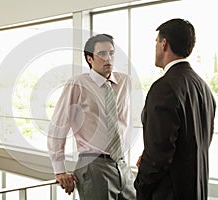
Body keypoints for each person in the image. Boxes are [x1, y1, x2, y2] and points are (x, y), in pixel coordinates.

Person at [134, 18, 216, 200]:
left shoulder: (164, 87)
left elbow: (159, 154)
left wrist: (141, 185)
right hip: (196, 190)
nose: (155, 47)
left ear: (164, 44)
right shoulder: (204, 88)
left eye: (156, 42)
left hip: (169, 193)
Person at [47, 34, 136, 200]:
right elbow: (58, 126)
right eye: (102, 54)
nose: (108, 58)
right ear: (89, 59)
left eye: (111, 53)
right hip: (93, 165)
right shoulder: (77, 84)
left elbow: (127, 121)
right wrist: (59, 169)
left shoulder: (125, 82)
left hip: (122, 165)